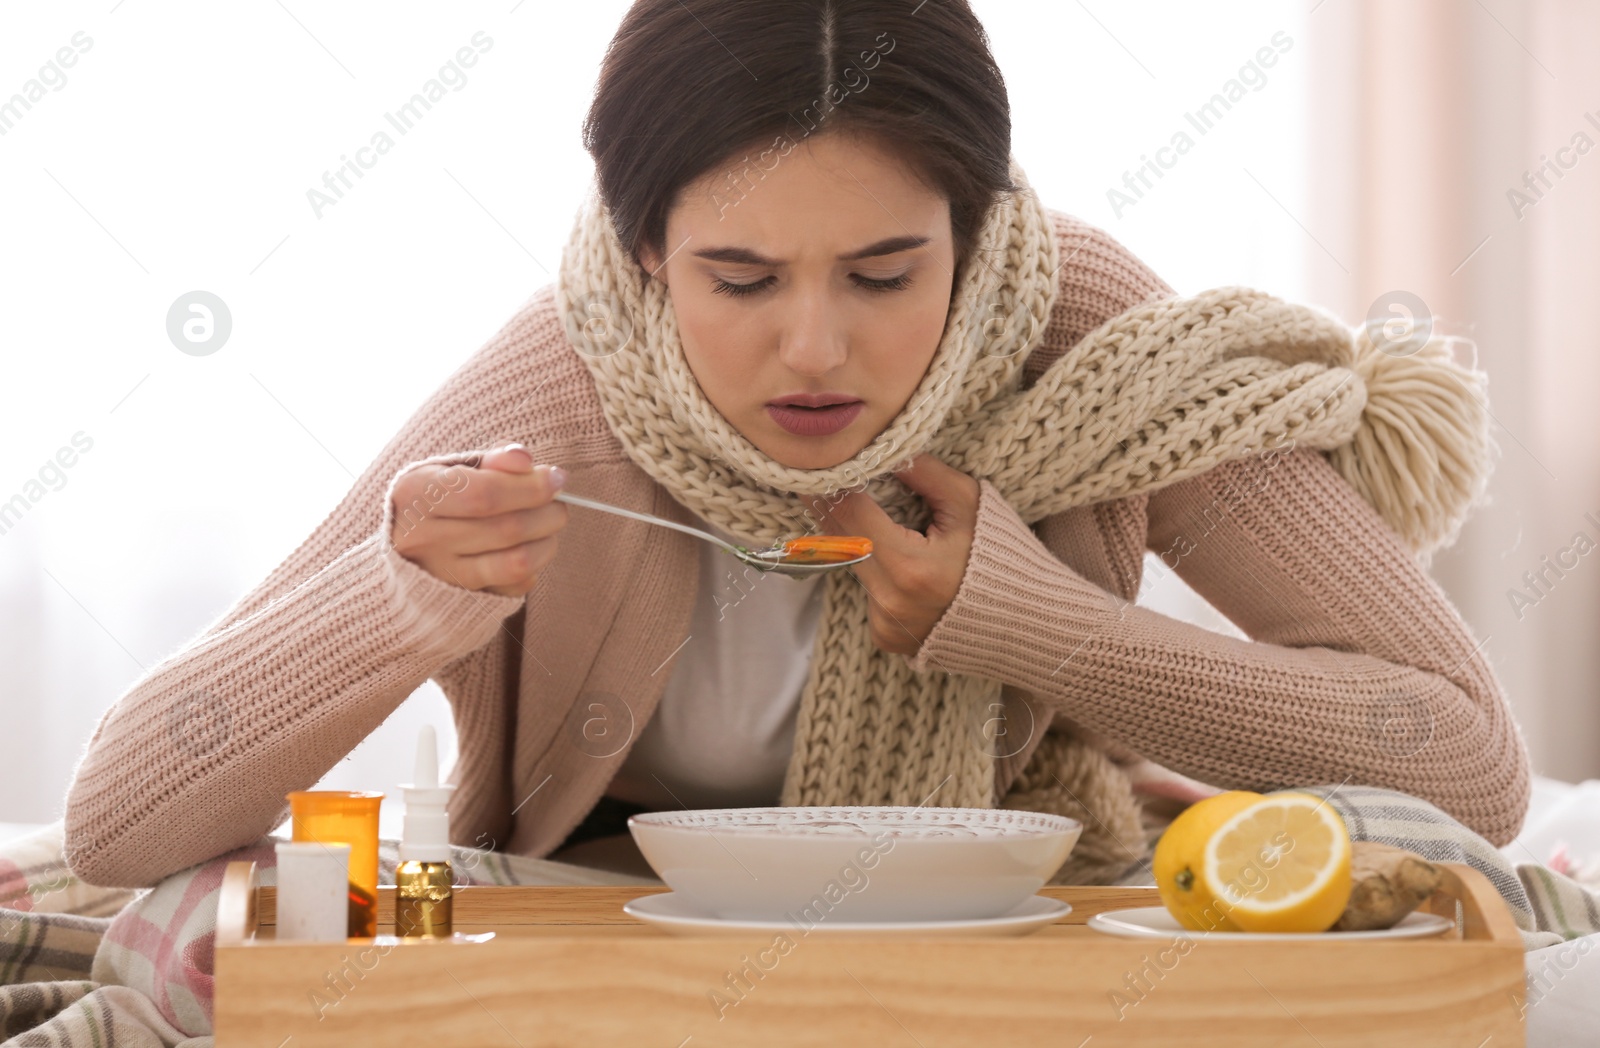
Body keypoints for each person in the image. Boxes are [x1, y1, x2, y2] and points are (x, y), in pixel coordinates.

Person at [62, 0, 1529, 890]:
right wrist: (396, 603)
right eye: (743, 281)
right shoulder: (574, 372)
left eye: (886, 275)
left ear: (980, 232)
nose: (815, 349)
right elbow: (120, 816)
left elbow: (1470, 771)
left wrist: (1046, 632)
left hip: (1012, 959)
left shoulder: (1082, 332)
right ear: (646, 256)